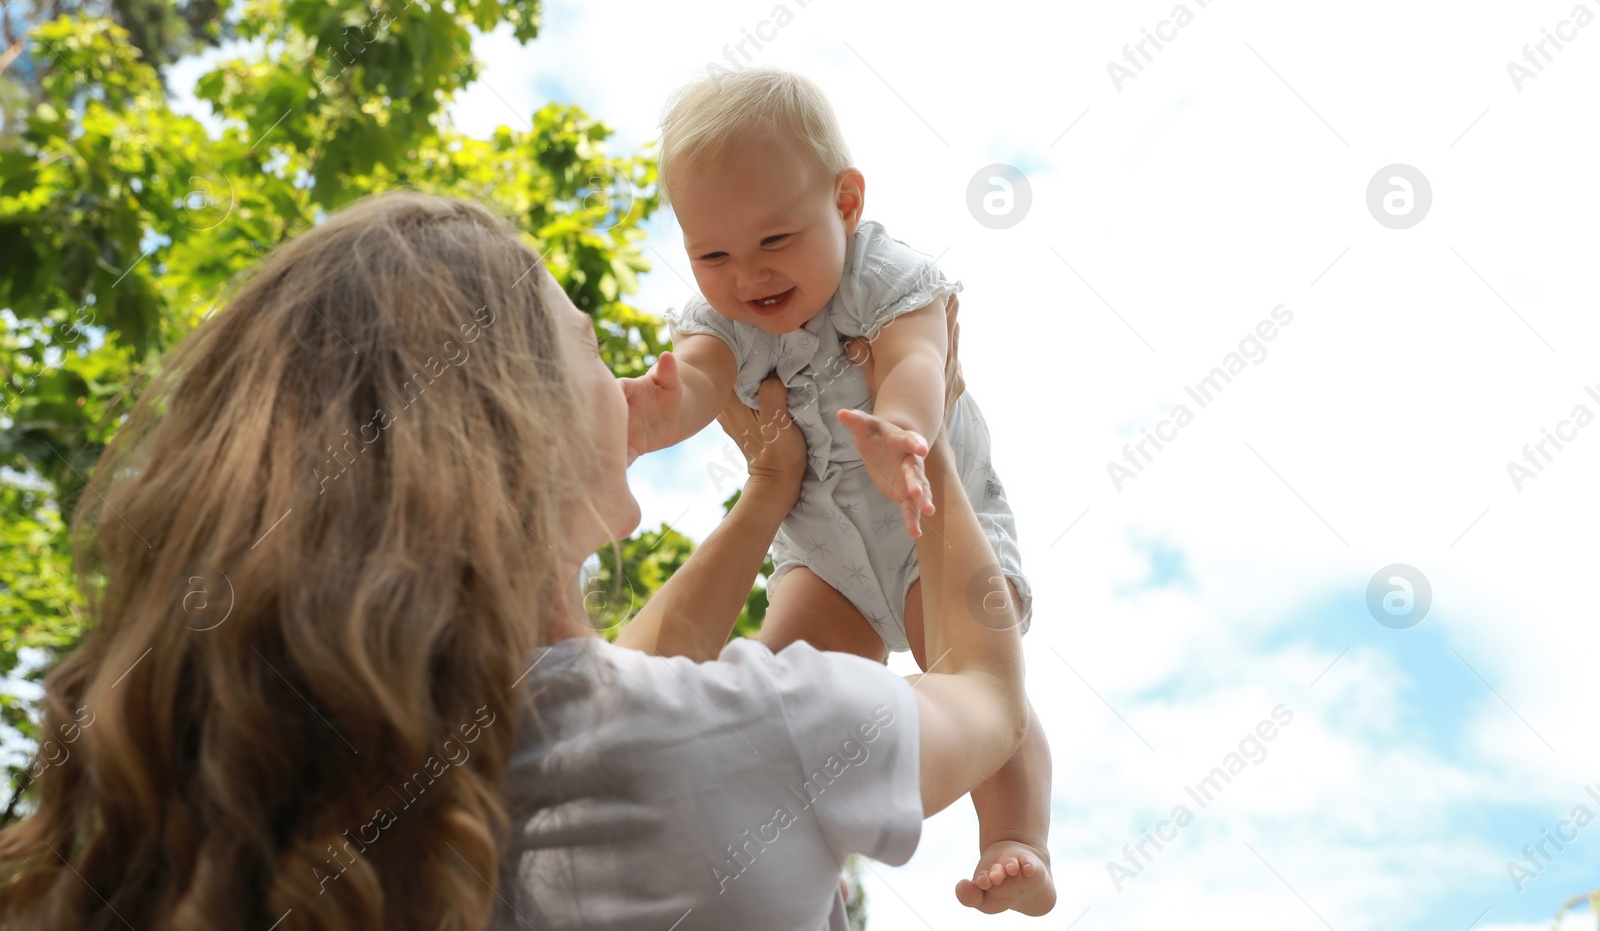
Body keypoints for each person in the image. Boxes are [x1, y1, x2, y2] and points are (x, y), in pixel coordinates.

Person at [0, 192, 1028, 931]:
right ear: (519, 420)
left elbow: (629, 670)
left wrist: (765, 499)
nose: (637, 377)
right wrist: (920, 438)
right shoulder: (756, 733)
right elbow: (984, 692)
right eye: (588, 344)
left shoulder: (322, 783)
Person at [623, 67, 1054, 914]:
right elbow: (704, 377)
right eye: (712, 254)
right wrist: (659, 409)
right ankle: (791, 833)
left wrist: (903, 432)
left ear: (846, 202)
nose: (747, 275)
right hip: (822, 559)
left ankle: (1016, 837)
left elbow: (919, 361)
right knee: (778, 683)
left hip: (928, 521)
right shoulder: (721, 321)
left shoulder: (885, 274)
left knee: (972, 679)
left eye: (774, 241)